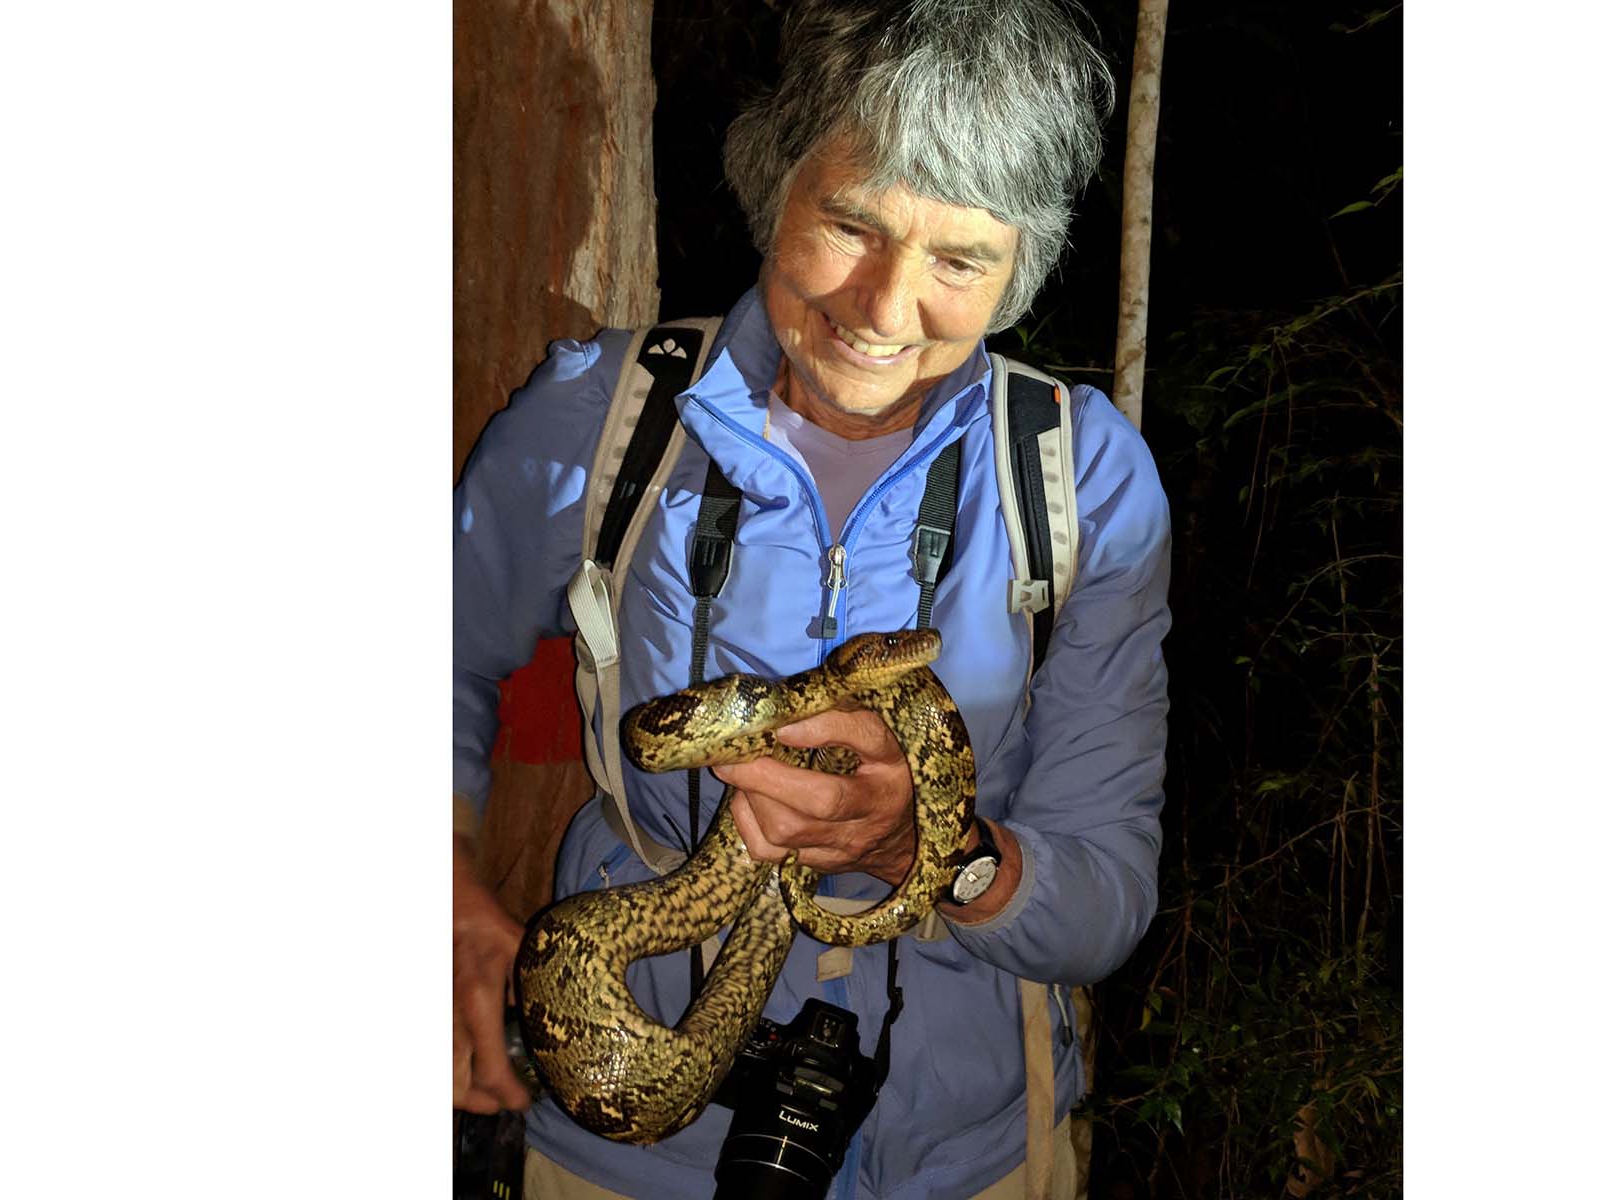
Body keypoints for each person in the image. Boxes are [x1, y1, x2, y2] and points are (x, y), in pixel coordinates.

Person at [453, 1, 1172, 1196]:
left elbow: (1104, 897)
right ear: (775, 181)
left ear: (1019, 271)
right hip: (631, 1157)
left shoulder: (1079, 478)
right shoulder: (608, 416)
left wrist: (927, 848)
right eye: (851, 222)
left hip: (967, 1150)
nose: (886, 309)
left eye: (960, 259)